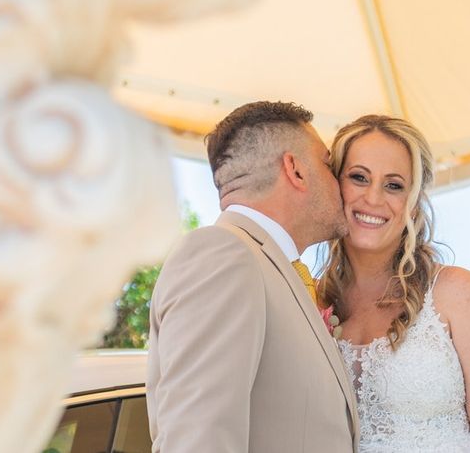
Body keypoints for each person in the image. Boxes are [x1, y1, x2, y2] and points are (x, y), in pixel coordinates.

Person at [147, 101, 358, 453]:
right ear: (296, 170)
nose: (340, 182)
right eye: (328, 164)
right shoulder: (222, 255)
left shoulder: (267, 267)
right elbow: (197, 440)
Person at [318, 115, 470, 453]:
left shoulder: (454, 292)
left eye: (394, 185)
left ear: (413, 203)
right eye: (359, 177)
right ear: (333, 184)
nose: (373, 198)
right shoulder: (307, 299)